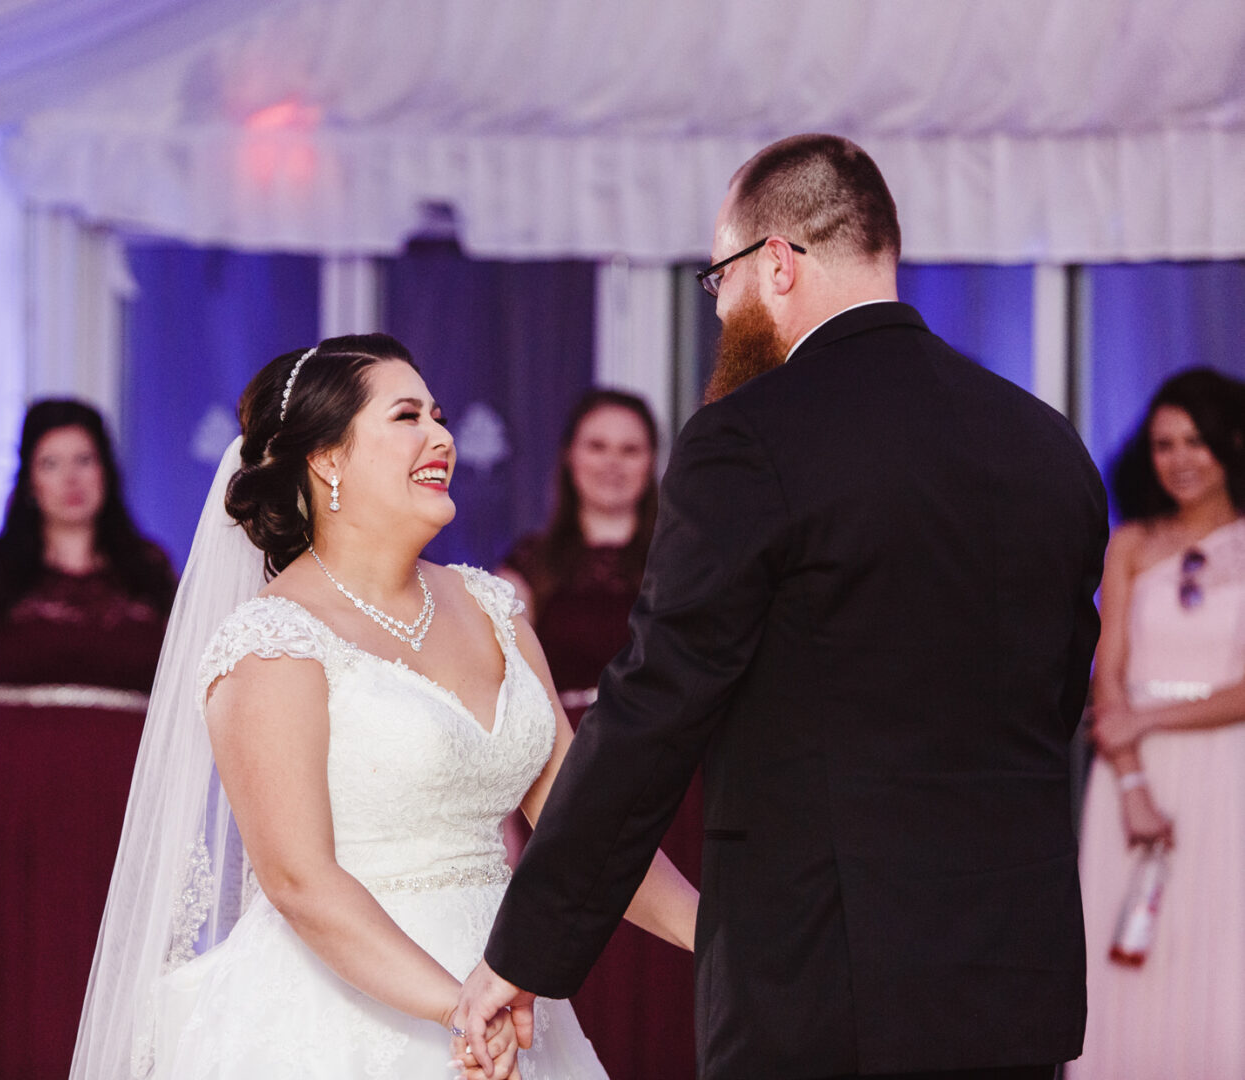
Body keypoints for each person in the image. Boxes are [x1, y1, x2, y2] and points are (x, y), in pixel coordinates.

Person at [455, 133, 1108, 1080]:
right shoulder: (1047, 445)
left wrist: (524, 954)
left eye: (719, 278)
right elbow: (1055, 701)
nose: (720, 307)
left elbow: (652, 714)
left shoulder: (746, 439)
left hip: (824, 978)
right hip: (1013, 974)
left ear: (776, 262)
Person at [69, 333, 699, 1080]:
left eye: (437, 415)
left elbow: (588, 827)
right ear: (328, 460)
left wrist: (720, 933)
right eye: (407, 417)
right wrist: (458, 1007)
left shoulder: (492, 607)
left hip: (502, 995)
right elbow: (300, 879)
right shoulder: (273, 640)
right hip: (342, 1020)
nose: (441, 437)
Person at [0, 399, 176, 1080]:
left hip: (119, 809)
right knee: (14, 969)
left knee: (108, 962)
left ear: (106, 472)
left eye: (84, 460)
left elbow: (178, 697)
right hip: (9, 807)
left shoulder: (151, 570)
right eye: (51, 462)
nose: (70, 478)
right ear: (28, 479)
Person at [498, 388, 702, 1080]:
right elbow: (501, 695)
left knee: (679, 957)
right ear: (569, 459)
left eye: (630, 448)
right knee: (591, 956)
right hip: (572, 785)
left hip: (681, 787)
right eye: (598, 446)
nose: (613, 464)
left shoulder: (686, 560)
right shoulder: (529, 568)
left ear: (653, 464)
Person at [1072, 368, 1245, 1078]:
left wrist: (1144, 719)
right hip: (1128, 784)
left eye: (1196, 442)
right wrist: (1134, 784)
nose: (1179, 459)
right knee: (1125, 965)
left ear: (1233, 444)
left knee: (1219, 956)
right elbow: (1106, 672)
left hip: (1227, 777)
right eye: (1163, 444)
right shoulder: (1130, 544)